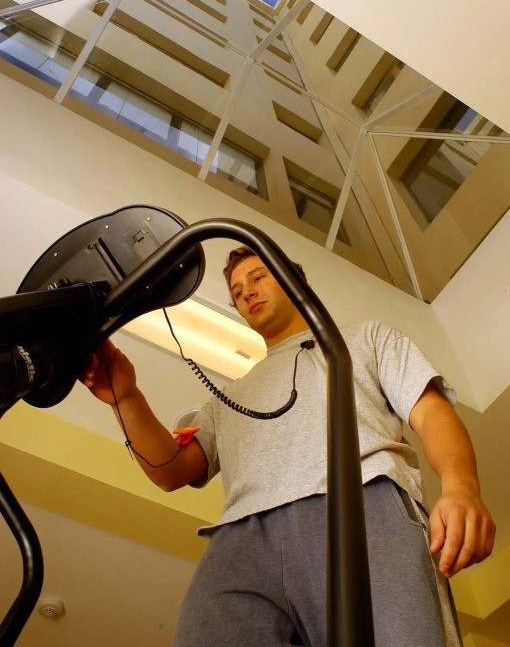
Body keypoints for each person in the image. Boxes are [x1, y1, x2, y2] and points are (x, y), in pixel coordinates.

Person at [82, 245, 495, 647]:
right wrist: (126, 396)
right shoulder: (227, 398)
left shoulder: (367, 339)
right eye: (237, 291)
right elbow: (171, 471)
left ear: (295, 280)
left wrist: (461, 487)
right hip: (242, 537)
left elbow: (430, 412)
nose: (247, 292)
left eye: (258, 277)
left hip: (362, 501)